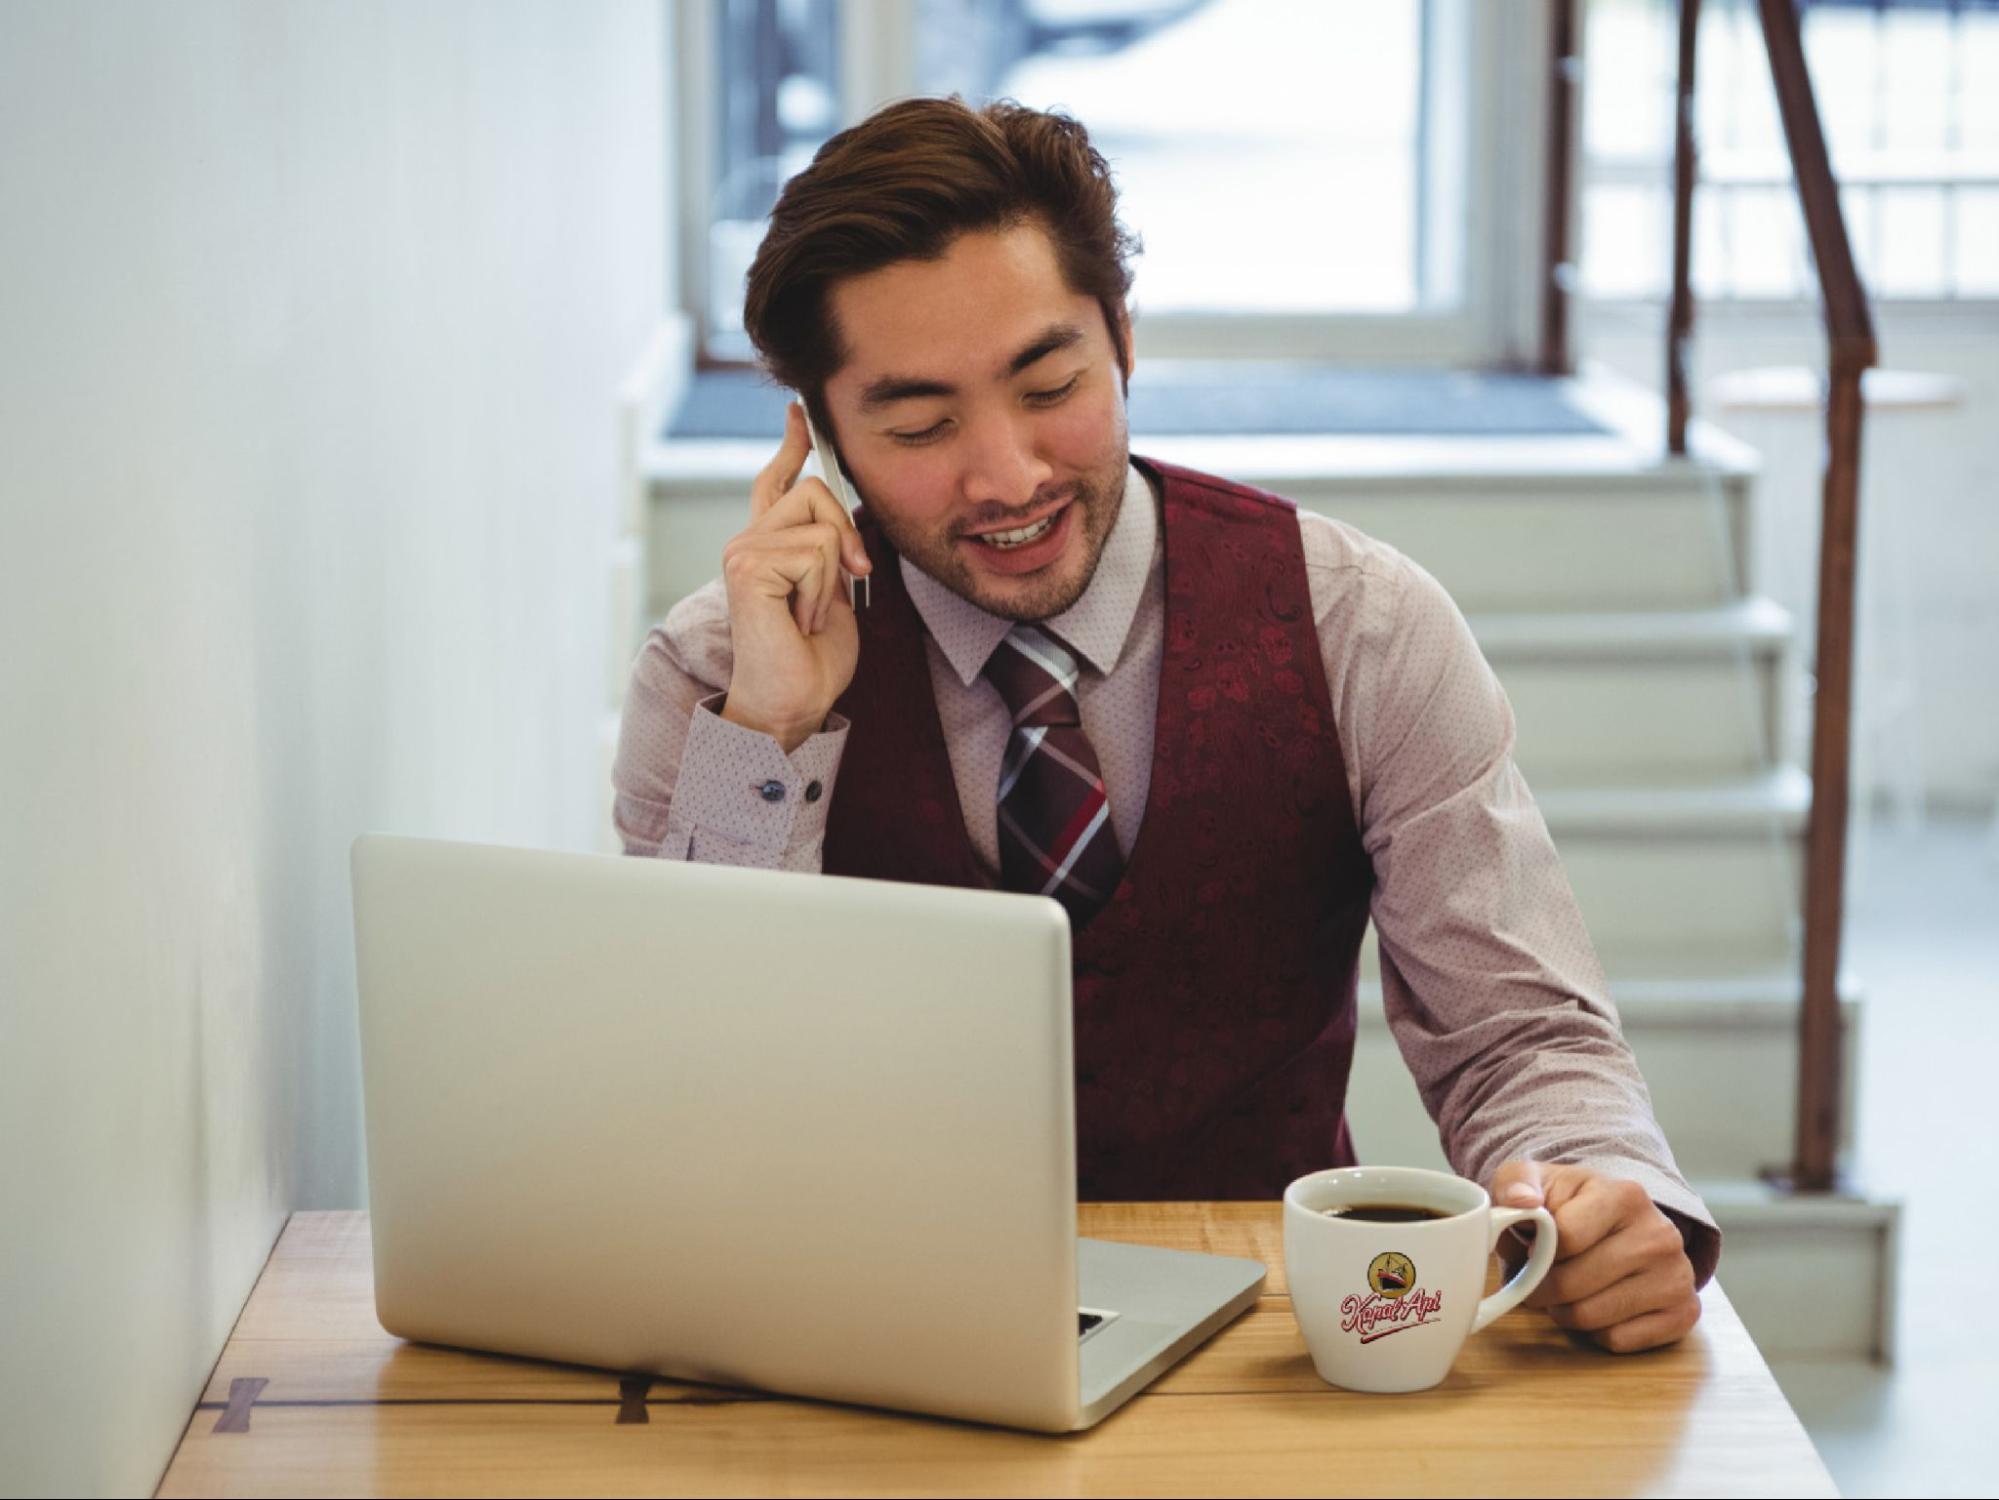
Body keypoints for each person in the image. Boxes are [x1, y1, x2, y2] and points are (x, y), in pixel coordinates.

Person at [615, 97, 1714, 1354]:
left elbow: (1516, 1029)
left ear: (1122, 340)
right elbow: (686, 1096)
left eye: (1050, 384)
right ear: (817, 438)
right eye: (919, 426)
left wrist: (1594, 1193)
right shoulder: (719, 672)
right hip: (854, 1336)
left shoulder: (1359, 624)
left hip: (1270, 1338)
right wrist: (768, 733)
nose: (1008, 474)